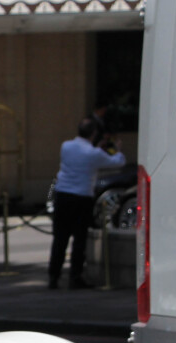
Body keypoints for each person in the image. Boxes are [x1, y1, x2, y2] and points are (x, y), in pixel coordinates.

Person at [48, 117, 126, 289]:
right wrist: (118, 150)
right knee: (79, 239)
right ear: (94, 133)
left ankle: (53, 276)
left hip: (63, 195)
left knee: (60, 238)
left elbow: (83, 156)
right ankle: (75, 277)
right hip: (81, 197)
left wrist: (98, 148)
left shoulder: (66, 146)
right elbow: (118, 162)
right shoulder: (94, 154)